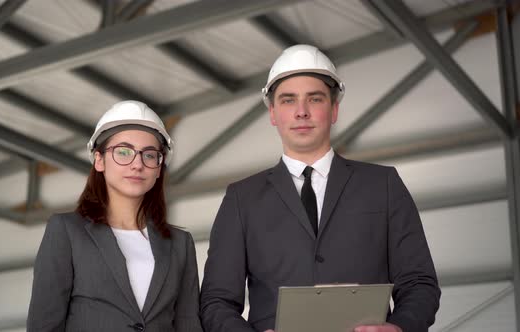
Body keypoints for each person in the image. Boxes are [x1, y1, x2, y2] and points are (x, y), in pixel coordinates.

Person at [200, 45, 440, 332]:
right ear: (273, 113)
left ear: (334, 109)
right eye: (288, 101)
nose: (302, 112)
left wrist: (401, 327)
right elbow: (216, 301)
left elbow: (419, 282)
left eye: (314, 99)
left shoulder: (383, 185)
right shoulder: (242, 199)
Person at [27, 101, 203, 332]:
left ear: (159, 168)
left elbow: (189, 325)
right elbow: (44, 325)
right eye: (123, 152)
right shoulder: (67, 231)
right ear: (99, 160)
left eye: (149, 155)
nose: (137, 164)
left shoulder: (180, 244)